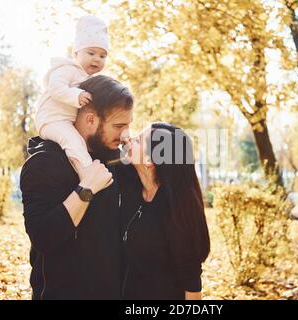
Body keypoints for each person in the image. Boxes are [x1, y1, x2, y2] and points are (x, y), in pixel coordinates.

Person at [20, 75, 133, 300]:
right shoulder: (44, 163)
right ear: (90, 120)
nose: (125, 135)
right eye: (119, 126)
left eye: (128, 126)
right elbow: (43, 236)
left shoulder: (117, 161)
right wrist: (85, 190)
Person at [117, 122, 210, 300]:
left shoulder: (177, 212)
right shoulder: (130, 183)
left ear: (149, 161)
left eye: (138, 140)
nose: (130, 139)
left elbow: (191, 285)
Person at [35, 15, 110, 168]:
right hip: (52, 120)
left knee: (82, 142)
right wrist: (76, 95)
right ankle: (88, 172)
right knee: (74, 142)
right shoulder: (67, 69)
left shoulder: (88, 79)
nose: (97, 59)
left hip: (67, 121)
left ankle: (86, 168)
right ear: (75, 54)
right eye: (91, 53)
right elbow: (55, 88)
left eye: (103, 56)